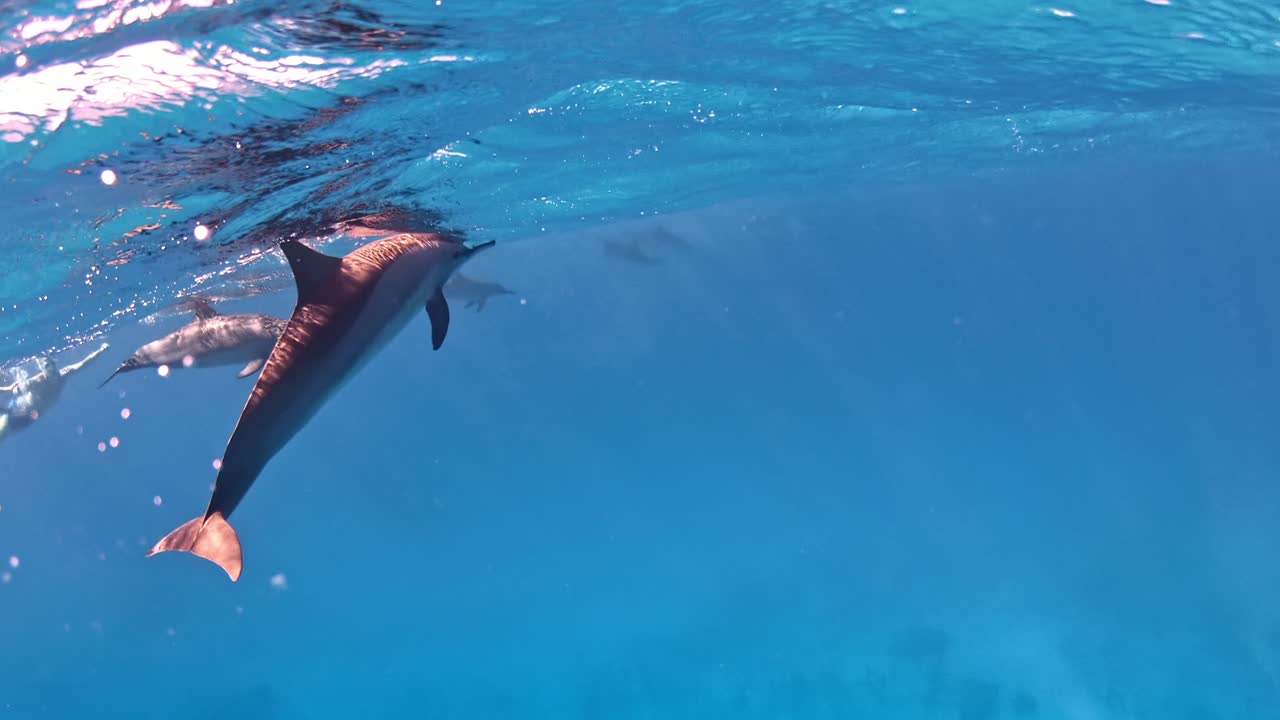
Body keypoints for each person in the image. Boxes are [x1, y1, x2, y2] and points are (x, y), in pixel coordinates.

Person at [0, 342, 110, 441]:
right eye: (47, 366)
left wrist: (101, 351)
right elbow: (14, 389)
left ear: (55, 364)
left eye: (52, 365)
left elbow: (83, 364)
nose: (51, 369)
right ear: (44, 369)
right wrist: (11, 389)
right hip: (16, 409)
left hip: (25, 416)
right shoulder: (37, 381)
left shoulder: (64, 374)